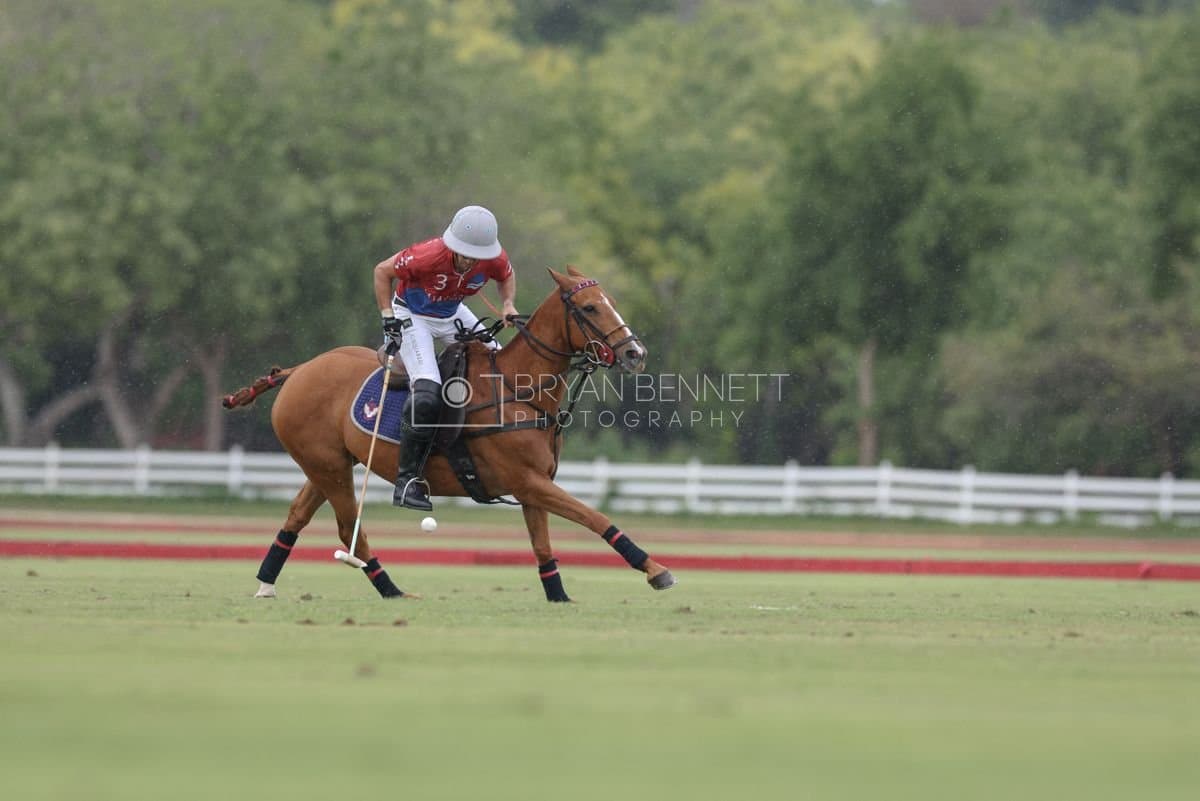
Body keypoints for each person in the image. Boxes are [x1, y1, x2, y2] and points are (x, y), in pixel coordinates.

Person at [373, 205, 519, 510]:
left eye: (474, 255)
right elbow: (382, 272)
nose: (468, 260)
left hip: (452, 312)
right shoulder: (427, 255)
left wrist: (508, 304)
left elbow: (507, 275)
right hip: (413, 314)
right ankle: (407, 480)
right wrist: (388, 315)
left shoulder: (494, 258)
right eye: (463, 252)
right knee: (427, 392)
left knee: (500, 366)